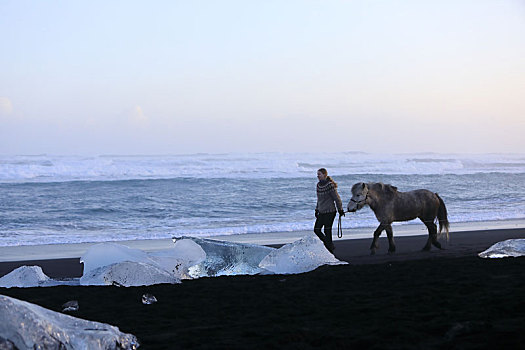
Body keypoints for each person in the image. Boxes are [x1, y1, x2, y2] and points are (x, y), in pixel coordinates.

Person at [314, 168, 344, 253]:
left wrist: (340, 210)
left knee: (327, 230)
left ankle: (330, 249)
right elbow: (318, 199)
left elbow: (337, 198)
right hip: (321, 211)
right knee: (317, 229)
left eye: (319, 174)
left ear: (324, 175)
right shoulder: (318, 185)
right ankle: (328, 244)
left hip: (330, 211)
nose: (318, 176)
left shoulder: (330, 185)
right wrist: (316, 209)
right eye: (317, 174)